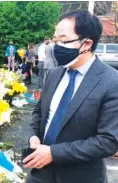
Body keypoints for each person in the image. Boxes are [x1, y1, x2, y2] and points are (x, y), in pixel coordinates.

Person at [23, 10, 118, 183]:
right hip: (40, 173)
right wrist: (33, 136)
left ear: (86, 44)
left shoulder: (112, 82)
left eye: (63, 40)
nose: (56, 46)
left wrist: (54, 153)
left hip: (80, 176)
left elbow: (108, 141)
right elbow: (38, 113)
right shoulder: (54, 74)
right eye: (55, 39)